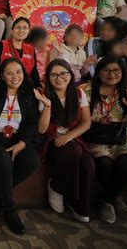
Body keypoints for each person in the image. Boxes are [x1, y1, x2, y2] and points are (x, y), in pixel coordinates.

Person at [81, 56, 127, 223]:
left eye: (116, 70)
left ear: (123, 72)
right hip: (96, 137)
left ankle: (107, 200)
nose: (111, 74)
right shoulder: (85, 90)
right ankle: (114, 200)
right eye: (106, 70)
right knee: (104, 163)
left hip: (123, 137)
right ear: (99, 72)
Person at [0, 59, 40, 235]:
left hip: (18, 137)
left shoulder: (28, 94)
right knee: (4, 162)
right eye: (10, 73)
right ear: (2, 77)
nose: (15, 77)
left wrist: (23, 142)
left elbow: (31, 122)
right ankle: (10, 210)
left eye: (18, 72)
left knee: (32, 161)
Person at [36, 59, 93, 222]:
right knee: (73, 152)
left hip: (74, 138)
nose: (59, 78)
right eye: (54, 74)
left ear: (70, 75)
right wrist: (47, 106)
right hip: (52, 142)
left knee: (88, 164)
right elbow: (42, 130)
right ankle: (56, 186)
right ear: (48, 77)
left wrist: (69, 136)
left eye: (63, 73)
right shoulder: (44, 94)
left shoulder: (79, 94)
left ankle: (80, 205)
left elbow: (86, 122)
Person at [0, 17, 41, 87]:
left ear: (28, 31)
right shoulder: (1, 45)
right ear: (12, 30)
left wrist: (39, 87)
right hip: (2, 86)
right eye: (18, 27)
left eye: (25, 28)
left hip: (24, 88)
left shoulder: (31, 49)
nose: (21, 30)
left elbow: (34, 72)